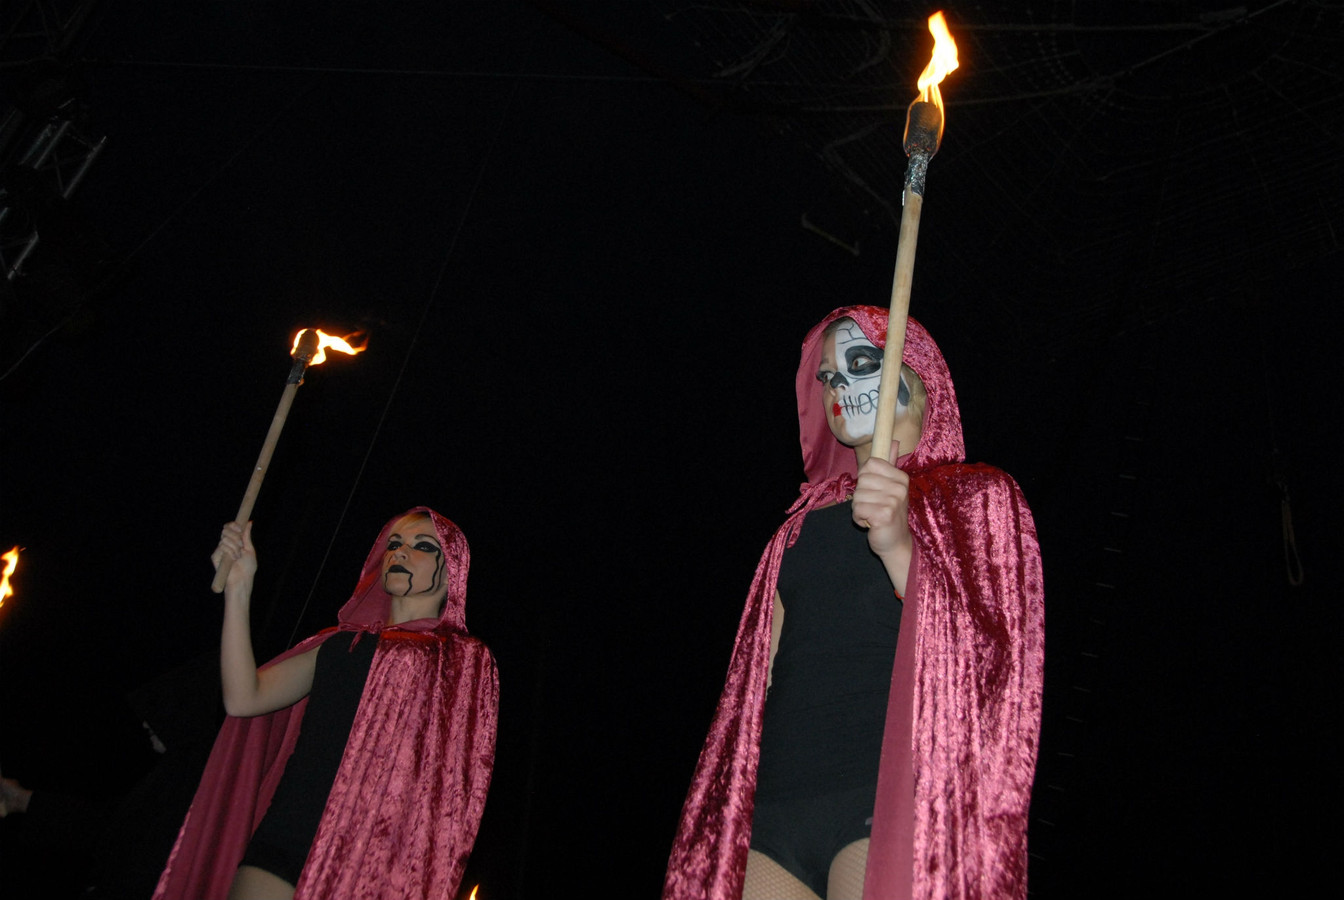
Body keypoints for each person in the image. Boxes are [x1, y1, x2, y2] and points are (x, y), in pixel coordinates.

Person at [662, 306, 1044, 900]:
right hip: (776, 800)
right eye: (829, 376)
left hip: (886, 791)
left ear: (915, 376)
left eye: (861, 363)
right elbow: (754, 685)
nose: (840, 385)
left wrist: (898, 544)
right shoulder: (797, 527)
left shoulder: (976, 496)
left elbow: (992, 658)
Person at [153, 507, 498, 900]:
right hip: (288, 831)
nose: (400, 553)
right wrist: (240, 589)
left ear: (451, 567)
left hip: (368, 855)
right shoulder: (337, 646)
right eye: (394, 544)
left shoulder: (459, 659)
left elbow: (448, 782)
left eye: (422, 546)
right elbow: (244, 697)